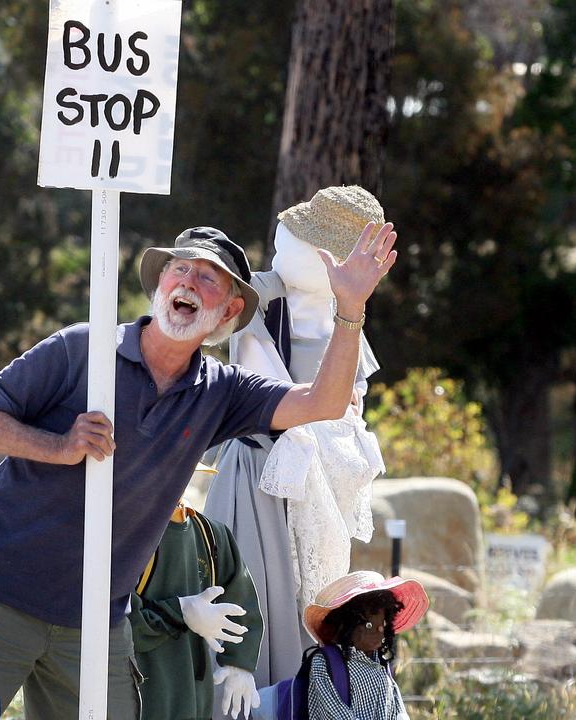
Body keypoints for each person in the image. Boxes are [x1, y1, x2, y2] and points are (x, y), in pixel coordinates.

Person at [0, 221, 398, 719]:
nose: (188, 282)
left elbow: (324, 402)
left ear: (228, 311)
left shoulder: (222, 391)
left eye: (209, 279)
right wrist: (59, 445)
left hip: (95, 620)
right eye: (180, 269)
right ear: (160, 285)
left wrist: (350, 308)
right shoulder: (83, 348)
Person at [204, 185, 388, 689]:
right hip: (257, 480)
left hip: (318, 492)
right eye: (283, 238)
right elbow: (279, 400)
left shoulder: (345, 322)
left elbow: (351, 403)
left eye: (298, 245)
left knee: (309, 603)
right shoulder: (258, 301)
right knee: (252, 593)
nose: (280, 248)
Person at [131, 500, 262, 720]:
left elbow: (242, 599)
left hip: (195, 691)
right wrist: (179, 611)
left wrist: (239, 662)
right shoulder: (129, 533)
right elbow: (115, 621)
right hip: (145, 689)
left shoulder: (212, 534)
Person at [301, 572, 428, 720]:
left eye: (383, 624)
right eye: (369, 625)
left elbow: (397, 713)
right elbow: (333, 714)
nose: (379, 631)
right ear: (345, 625)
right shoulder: (324, 664)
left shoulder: (380, 666)